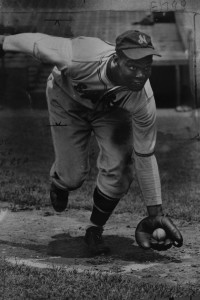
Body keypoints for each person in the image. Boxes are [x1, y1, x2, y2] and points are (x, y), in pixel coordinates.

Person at [0, 30, 183, 255]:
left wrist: (155, 213)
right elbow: (38, 43)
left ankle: (94, 229)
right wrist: (4, 42)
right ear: (116, 60)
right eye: (132, 66)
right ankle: (61, 182)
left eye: (146, 67)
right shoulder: (80, 56)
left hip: (109, 111)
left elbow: (145, 155)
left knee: (120, 169)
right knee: (72, 176)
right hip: (66, 101)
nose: (140, 75)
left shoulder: (143, 98)